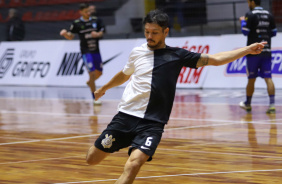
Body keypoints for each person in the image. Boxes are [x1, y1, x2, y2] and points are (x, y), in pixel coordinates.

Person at [86, 9, 266, 184]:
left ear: (166, 32)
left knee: (133, 164)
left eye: (155, 33)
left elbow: (216, 59)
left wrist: (246, 50)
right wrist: (105, 88)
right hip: (125, 117)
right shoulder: (137, 52)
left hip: (152, 124)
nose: (149, 36)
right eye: (147, 32)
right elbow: (125, 74)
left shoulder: (177, 55)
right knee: (91, 159)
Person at [60, 3, 105, 105]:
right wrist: (65, 34)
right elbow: (70, 37)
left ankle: (90, 82)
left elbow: (102, 32)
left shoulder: (96, 20)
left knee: (99, 72)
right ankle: (95, 97)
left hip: (96, 51)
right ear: (81, 12)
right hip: (86, 52)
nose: (88, 13)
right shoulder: (76, 23)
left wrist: (97, 34)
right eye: (86, 12)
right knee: (92, 73)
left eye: (89, 11)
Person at [239, 0, 277, 114]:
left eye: (248, 2)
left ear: (252, 2)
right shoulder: (269, 15)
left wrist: (242, 22)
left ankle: (248, 104)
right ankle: (271, 105)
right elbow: (274, 32)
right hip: (266, 50)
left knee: (251, 79)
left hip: (253, 52)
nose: (248, 4)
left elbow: (245, 32)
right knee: (268, 78)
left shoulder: (249, 15)